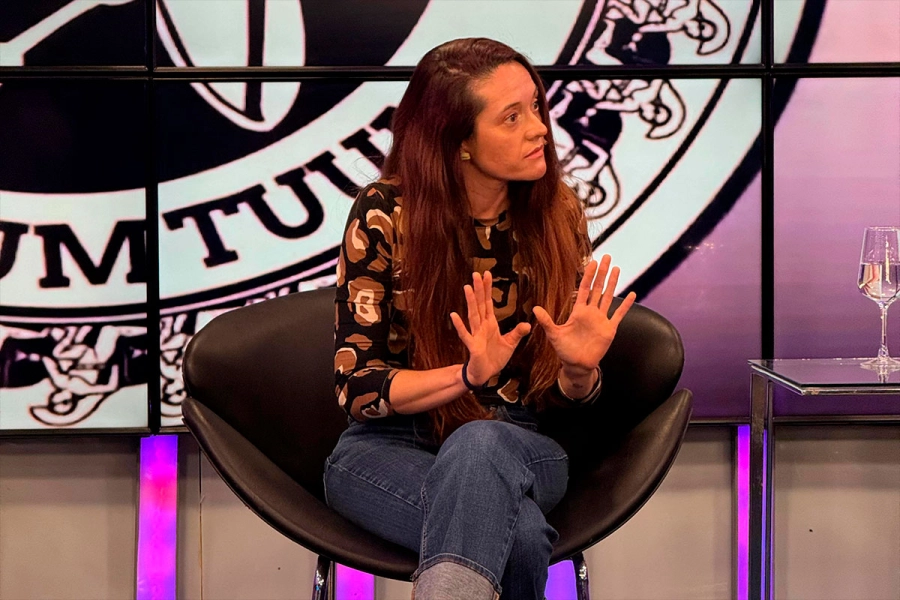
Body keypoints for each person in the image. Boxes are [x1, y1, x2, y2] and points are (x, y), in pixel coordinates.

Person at [324, 37, 636, 600]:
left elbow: (561, 400)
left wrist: (578, 372)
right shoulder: (384, 214)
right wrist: (465, 376)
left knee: (481, 442)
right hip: (385, 446)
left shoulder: (557, 212)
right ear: (459, 141)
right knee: (520, 538)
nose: (540, 129)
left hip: (518, 443)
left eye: (535, 107)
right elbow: (358, 388)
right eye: (512, 117)